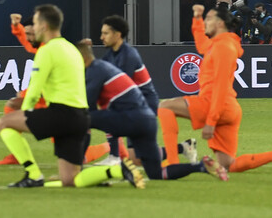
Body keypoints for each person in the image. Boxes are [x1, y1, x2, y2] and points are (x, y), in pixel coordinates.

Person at [0, 3, 145, 189]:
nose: (32, 28)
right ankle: (118, 171)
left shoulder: (47, 50)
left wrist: (27, 113)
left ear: (44, 26)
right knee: (70, 180)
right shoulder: (72, 49)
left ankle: (33, 174)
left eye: (34, 23)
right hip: (80, 118)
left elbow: (34, 89)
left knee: (5, 122)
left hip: (61, 115)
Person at [157, 2, 272, 177]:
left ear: (220, 24)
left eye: (208, 19)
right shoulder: (218, 44)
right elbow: (201, 43)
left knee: (165, 107)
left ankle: (172, 163)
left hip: (215, 105)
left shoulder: (224, 47)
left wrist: (211, 121)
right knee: (228, 165)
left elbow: (221, 86)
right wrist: (196, 18)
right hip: (227, 108)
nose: (205, 23)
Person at [76, 41, 225, 182]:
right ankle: (200, 166)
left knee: (84, 119)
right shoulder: (105, 66)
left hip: (131, 118)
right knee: (156, 173)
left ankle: (83, 167)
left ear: (81, 58)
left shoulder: (95, 71)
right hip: (146, 120)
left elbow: (89, 110)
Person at [0, 13, 110, 167]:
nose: (28, 37)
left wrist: (25, 95)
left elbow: (47, 82)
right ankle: (18, 155)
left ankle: (108, 148)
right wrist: (16, 27)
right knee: (13, 107)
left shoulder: (50, 49)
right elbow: (25, 39)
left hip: (60, 104)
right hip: (52, 102)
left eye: (31, 33)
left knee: (68, 147)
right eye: (27, 33)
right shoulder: (44, 46)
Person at [98, 14, 160, 166]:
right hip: (134, 103)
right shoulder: (111, 54)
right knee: (137, 159)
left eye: (105, 33)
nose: (101, 37)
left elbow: (120, 86)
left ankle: (114, 155)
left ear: (117, 35)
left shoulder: (129, 55)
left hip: (145, 104)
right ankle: (183, 148)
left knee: (109, 113)